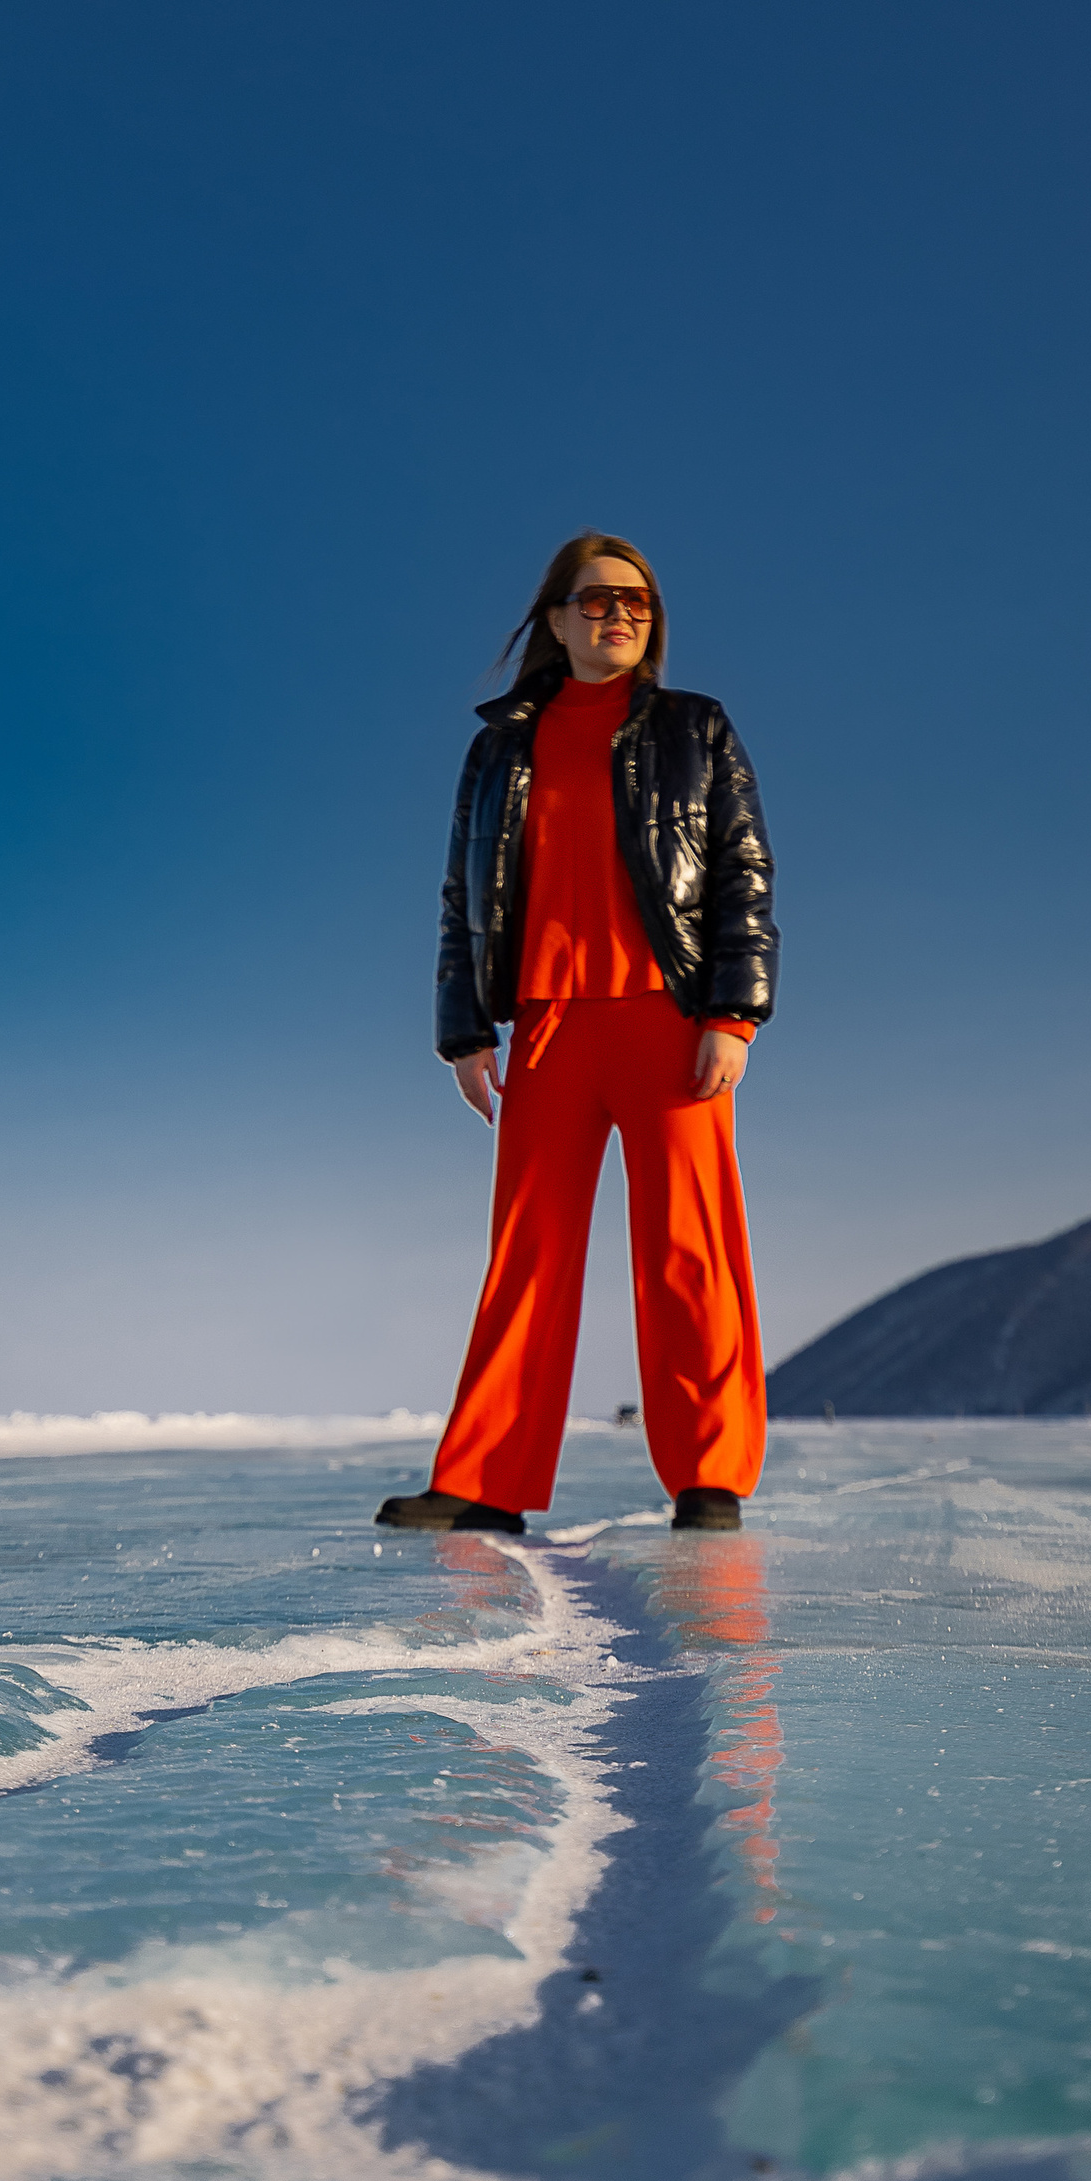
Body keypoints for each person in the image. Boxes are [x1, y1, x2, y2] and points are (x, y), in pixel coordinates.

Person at [377, 532, 777, 1538]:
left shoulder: (697, 728)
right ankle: (483, 1479)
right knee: (528, 1256)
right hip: (547, 1024)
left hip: (668, 1015)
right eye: (598, 600)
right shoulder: (499, 745)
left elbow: (742, 872)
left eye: (639, 604)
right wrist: (464, 1029)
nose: (620, 617)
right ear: (554, 618)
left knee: (689, 1250)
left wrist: (734, 1012)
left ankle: (708, 1476)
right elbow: (460, 897)